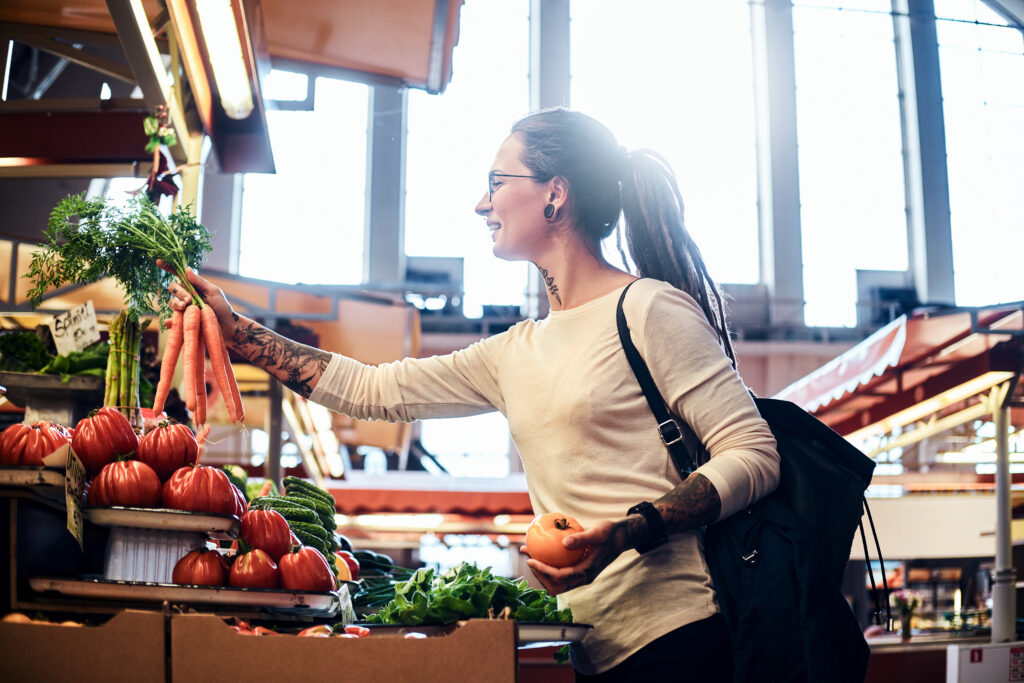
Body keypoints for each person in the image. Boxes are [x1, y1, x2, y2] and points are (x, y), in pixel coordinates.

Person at [168, 107, 780, 681]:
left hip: (682, 636)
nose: (480, 203)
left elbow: (754, 453)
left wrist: (628, 530)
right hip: (593, 647)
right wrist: (239, 333)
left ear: (555, 193)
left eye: (496, 181)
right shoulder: (515, 350)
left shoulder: (649, 309)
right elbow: (375, 389)